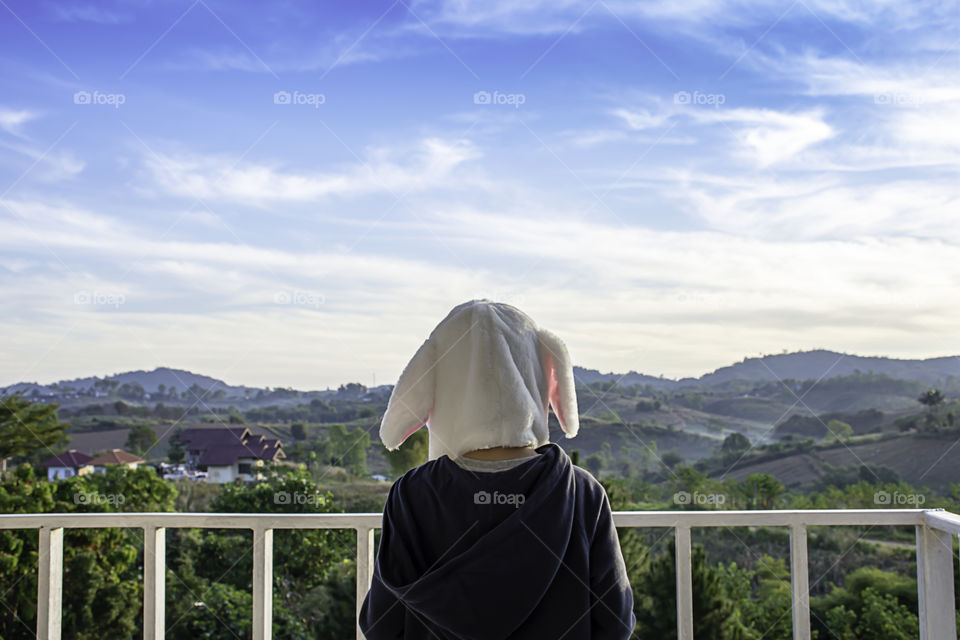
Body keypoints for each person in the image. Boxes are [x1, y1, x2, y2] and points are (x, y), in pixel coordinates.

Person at [359, 299, 636, 639]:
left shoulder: (413, 494)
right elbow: (616, 621)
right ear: (539, 373)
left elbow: (381, 624)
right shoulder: (581, 492)